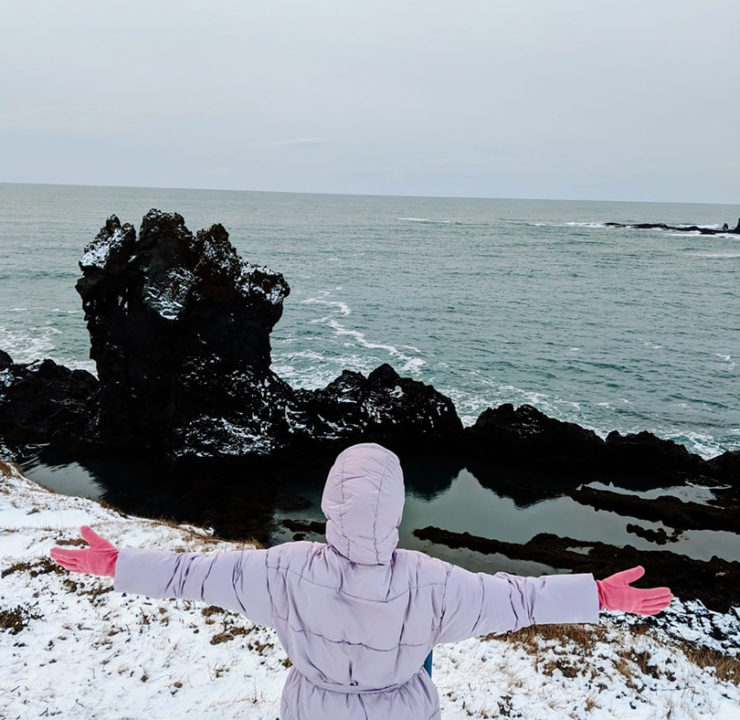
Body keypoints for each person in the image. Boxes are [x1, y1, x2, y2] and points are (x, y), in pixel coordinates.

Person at [50, 442, 673, 720]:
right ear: (398, 506)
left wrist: (118, 564)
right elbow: (518, 598)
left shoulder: (286, 569)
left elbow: (194, 573)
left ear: (329, 504)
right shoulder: (434, 581)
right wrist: (595, 594)